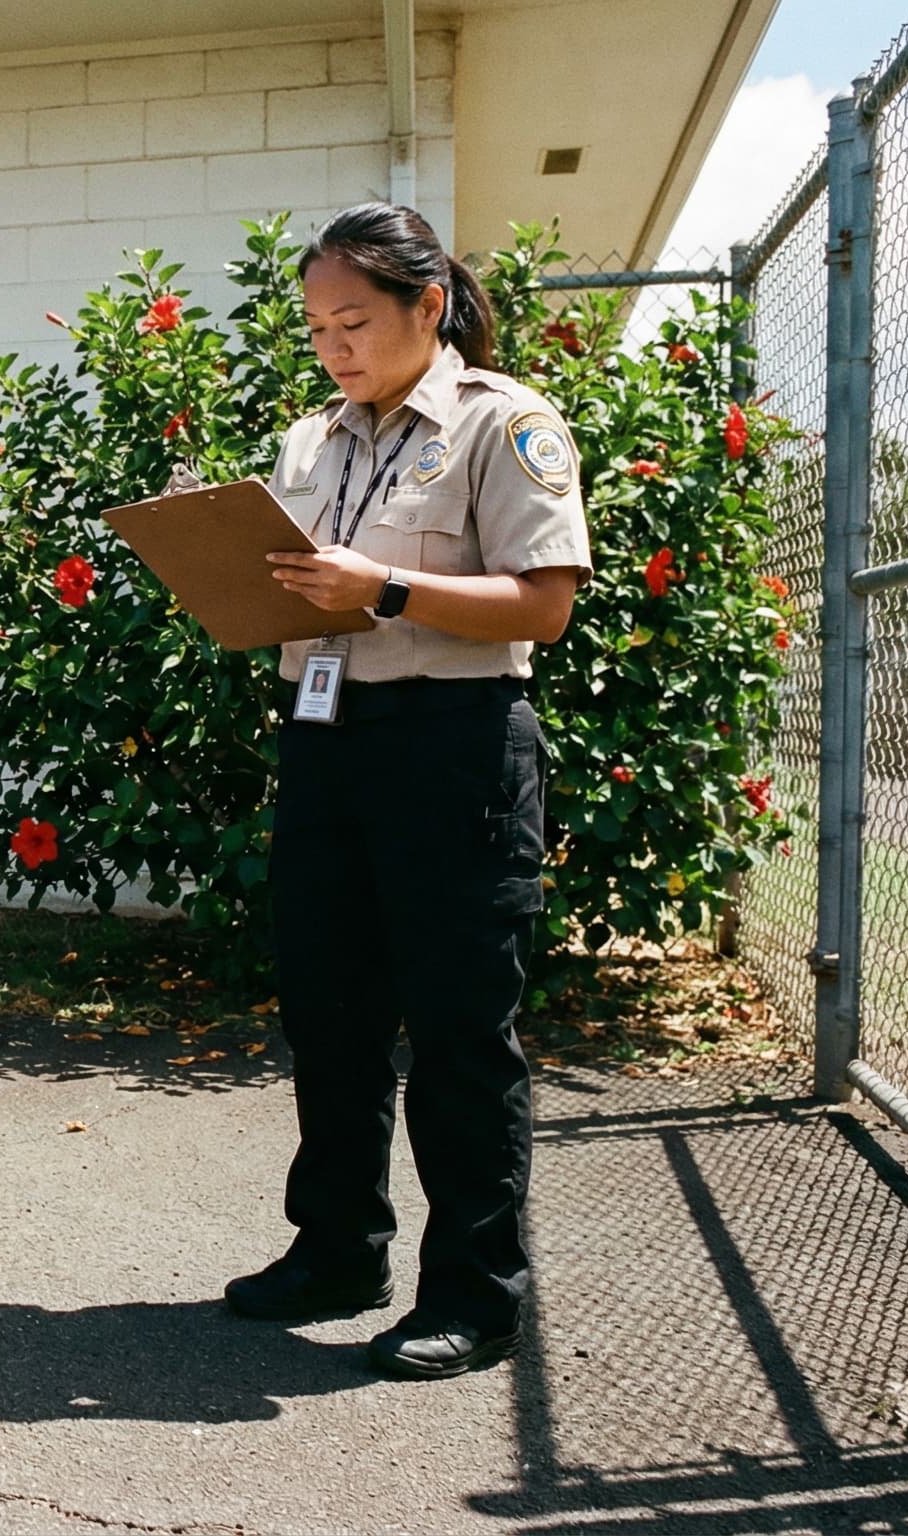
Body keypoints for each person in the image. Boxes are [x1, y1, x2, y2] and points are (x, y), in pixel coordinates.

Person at [226, 202, 592, 1379]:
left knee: (455, 1034)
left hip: (455, 743)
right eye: (317, 328)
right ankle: (337, 1250)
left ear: (426, 307)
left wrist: (379, 588)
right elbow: (295, 587)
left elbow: (541, 605)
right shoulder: (309, 439)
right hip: (327, 737)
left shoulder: (504, 423)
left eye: (355, 322)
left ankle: (475, 1296)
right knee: (327, 1018)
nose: (335, 348)